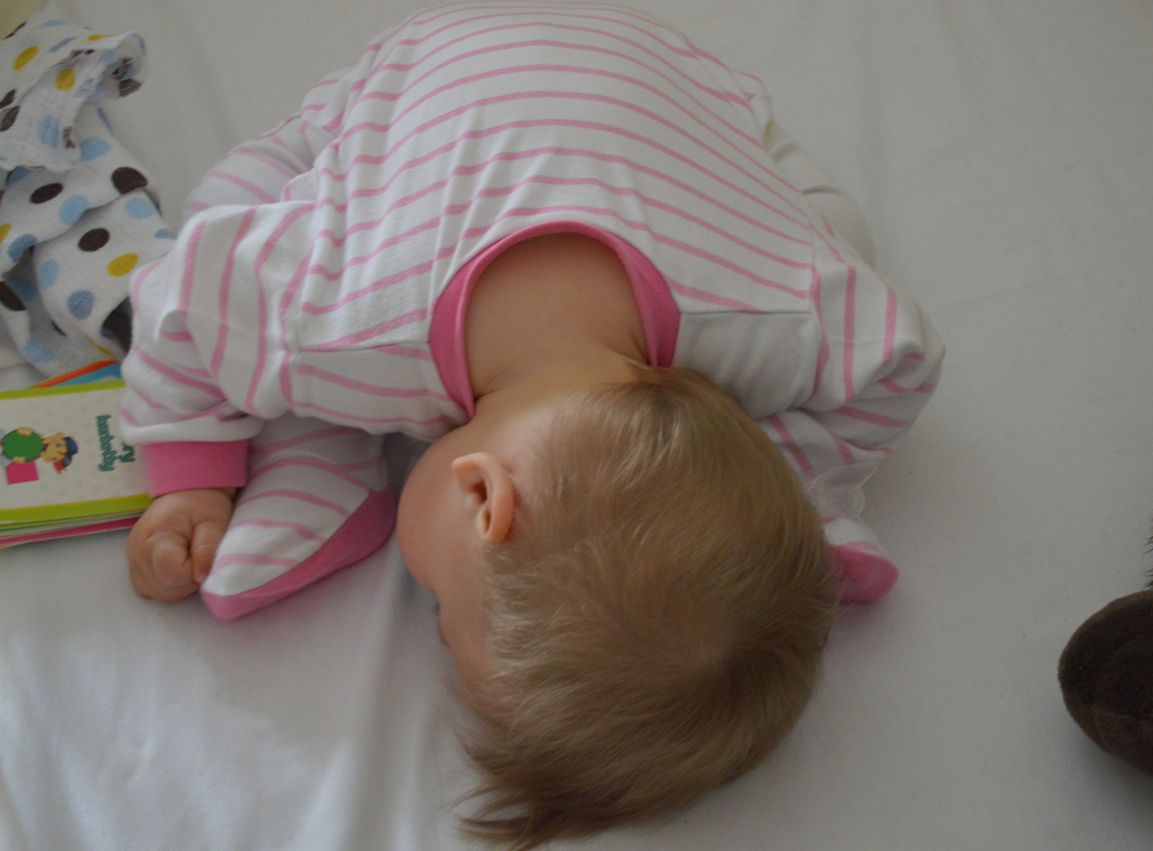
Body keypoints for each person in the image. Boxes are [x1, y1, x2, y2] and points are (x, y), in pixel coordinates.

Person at [120, 3, 943, 844]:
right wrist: (194, 475)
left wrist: (773, 487)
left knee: (841, 239)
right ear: (484, 497)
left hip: (646, 75)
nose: (431, 608)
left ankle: (314, 439)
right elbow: (178, 302)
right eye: (442, 607)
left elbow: (902, 356)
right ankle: (307, 446)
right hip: (432, 69)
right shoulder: (344, 322)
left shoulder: (780, 318)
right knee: (222, 206)